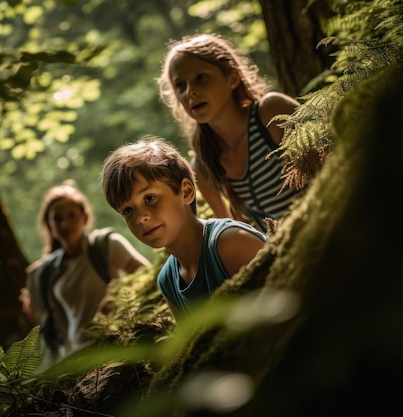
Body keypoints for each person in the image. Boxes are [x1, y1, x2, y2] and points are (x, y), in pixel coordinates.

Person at [101, 137, 267, 317]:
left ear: (186, 191)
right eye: (127, 210)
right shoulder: (168, 281)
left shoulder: (232, 243)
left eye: (149, 198)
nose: (140, 217)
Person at [157, 32, 304, 233]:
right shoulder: (203, 166)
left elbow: (334, 168)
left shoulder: (272, 112)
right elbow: (237, 232)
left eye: (201, 78)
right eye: (180, 86)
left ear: (232, 79)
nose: (190, 92)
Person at [19, 181, 151, 361]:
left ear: (85, 218)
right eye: (57, 219)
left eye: (71, 215)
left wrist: (120, 293)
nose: (65, 224)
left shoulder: (106, 245)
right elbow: (42, 321)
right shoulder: (45, 273)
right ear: (49, 225)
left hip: (112, 344)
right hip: (72, 356)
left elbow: (148, 276)